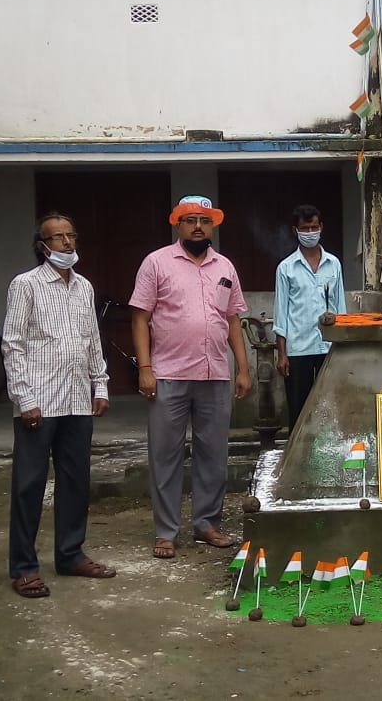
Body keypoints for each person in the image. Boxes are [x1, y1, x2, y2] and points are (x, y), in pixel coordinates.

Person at [130, 195, 252, 560]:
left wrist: (242, 368)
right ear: (177, 224)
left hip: (214, 373)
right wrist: (145, 369)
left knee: (213, 455)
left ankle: (206, 524)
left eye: (204, 220)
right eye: (190, 220)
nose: (198, 226)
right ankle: (166, 532)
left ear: (213, 225)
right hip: (168, 374)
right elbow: (140, 318)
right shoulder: (156, 262)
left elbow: (232, 320)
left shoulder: (225, 266)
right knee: (165, 456)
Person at [1, 213, 116, 598]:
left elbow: (92, 339)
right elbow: (13, 344)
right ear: (42, 246)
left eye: (71, 235)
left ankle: (70, 555)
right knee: (29, 485)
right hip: (39, 401)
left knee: (75, 482)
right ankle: (24, 568)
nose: (67, 243)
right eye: (58, 237)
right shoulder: (26, 285)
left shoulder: (84, 287)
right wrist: (25, 397)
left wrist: (100, 384)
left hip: (77, 399)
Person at [273, 204, 346, 433]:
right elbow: (281, 314)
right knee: (299, 409)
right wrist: (282, 354)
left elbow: (340, 307)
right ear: (295, 230)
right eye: (305, 228)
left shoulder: (333, 264)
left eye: (314, 227)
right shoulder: (286, 268)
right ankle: (297, 451)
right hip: (298, 349)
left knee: (331, 405)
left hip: (328, 347)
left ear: (321, 227)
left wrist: (342, 348)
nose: (310, 232)